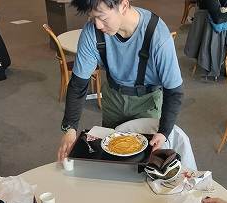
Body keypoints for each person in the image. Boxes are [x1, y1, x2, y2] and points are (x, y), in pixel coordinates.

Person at [57, 0, 184, 162]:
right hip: (113, 98)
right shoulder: (92, 32)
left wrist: (163, 132)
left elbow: (174, 91)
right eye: (92, 18)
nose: (97, 25)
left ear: (123, 5)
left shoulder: (157, 35)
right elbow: (78, 85)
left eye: (102, 17)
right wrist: (70, 128)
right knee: (110, 153)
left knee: (141, 161)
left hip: (147, 102)